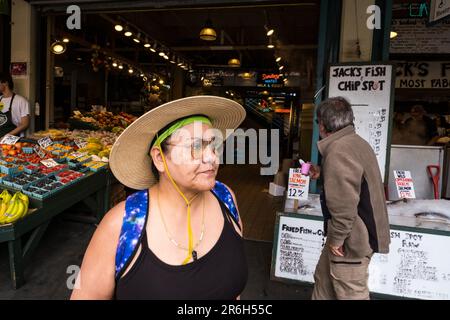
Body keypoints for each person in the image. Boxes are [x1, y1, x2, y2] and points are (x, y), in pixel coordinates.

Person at [71, 96, 248, 299]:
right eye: (196, 147)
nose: (212, 157)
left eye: (213, 145)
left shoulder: (226, 199)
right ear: (159, 159)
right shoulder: (122, 225)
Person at [309, 97, 390, 300]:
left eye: (318, 122)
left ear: (323, 124)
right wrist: (322, 172)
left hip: (352, 240)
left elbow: (344, 208)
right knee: (324, 280)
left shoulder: (338, 150)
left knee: (351, 292)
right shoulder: (355, 143)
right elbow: (354, 182)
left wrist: (336, 240)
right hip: (352, 234)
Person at [0, 72, 30, 137]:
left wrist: (7, 136)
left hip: (14, 140)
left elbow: (25, 123)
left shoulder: (21, 101)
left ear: (5, 83)